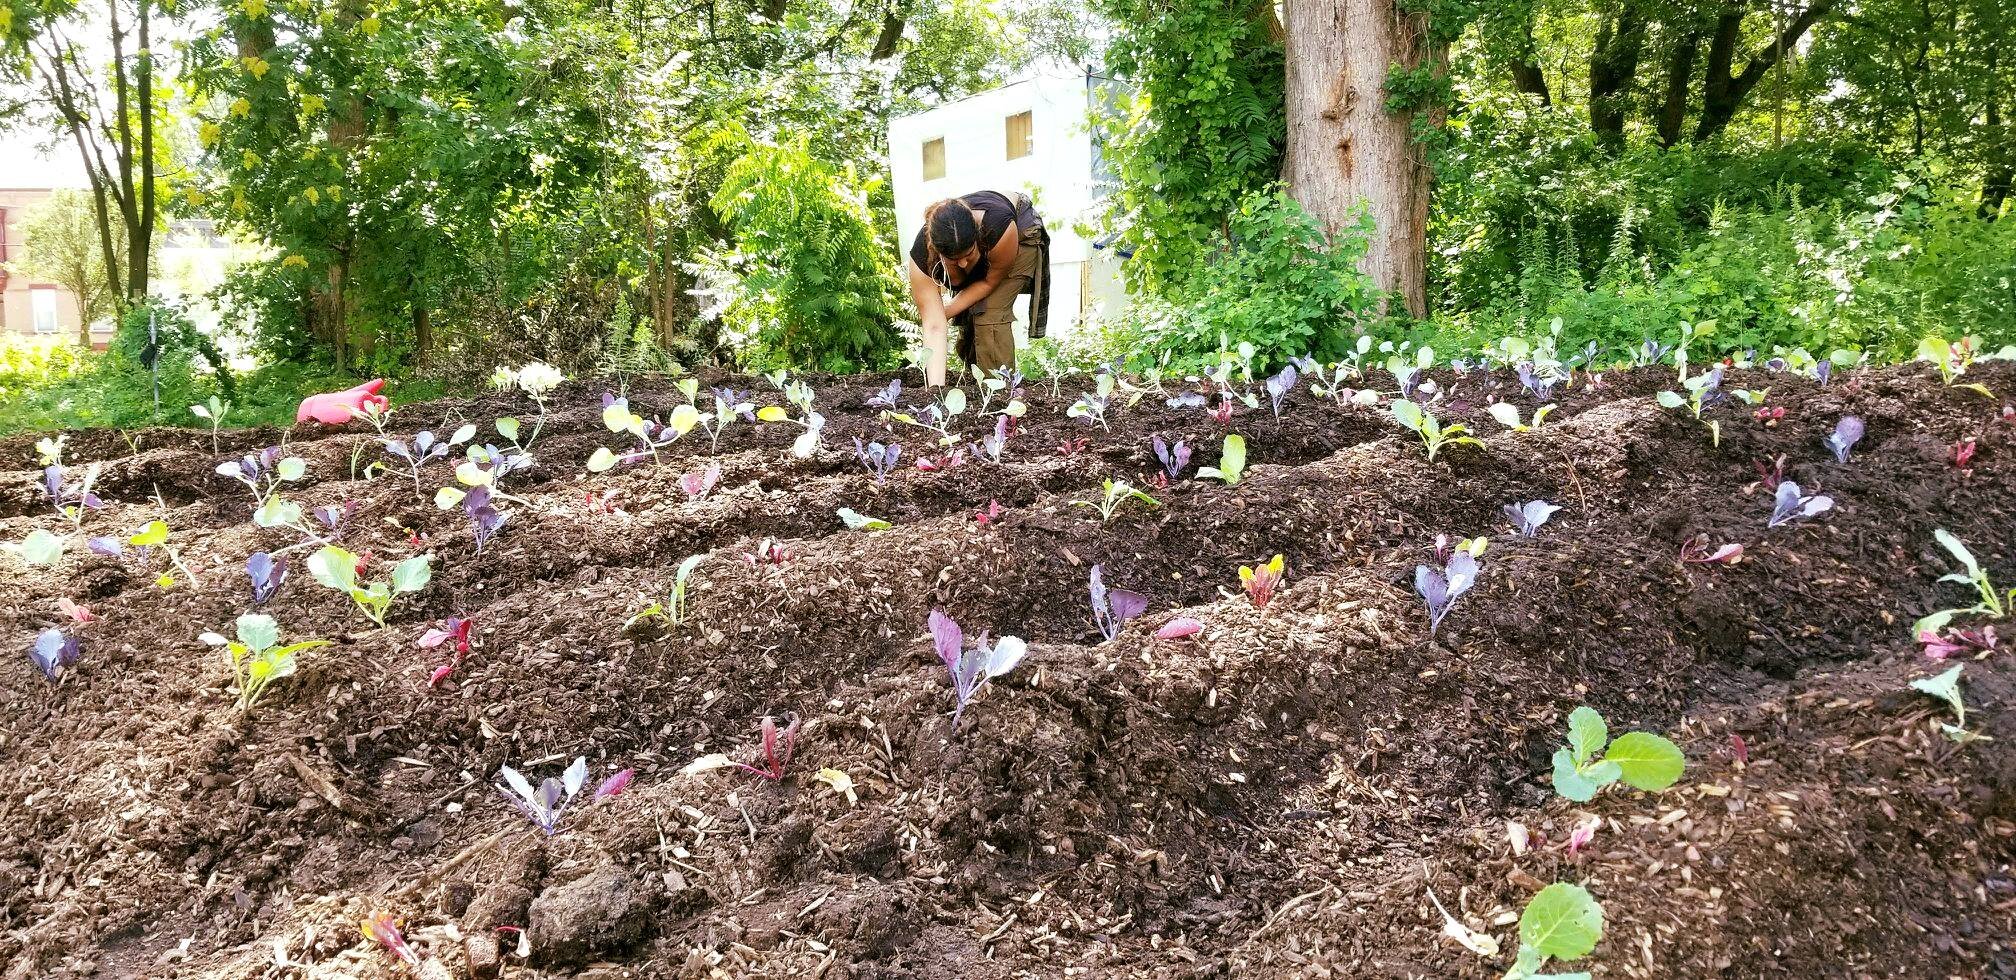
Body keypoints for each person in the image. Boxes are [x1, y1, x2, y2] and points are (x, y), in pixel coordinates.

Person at [907, 191, 1051, 386]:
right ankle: (979, 390)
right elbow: (933, 327)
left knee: (989, 312)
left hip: (1020, 230)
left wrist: (944, 313)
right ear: (937, 250)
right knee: (970, 320)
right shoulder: (921, 259)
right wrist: (936, 390)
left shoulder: (998, 228)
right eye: (954, 260)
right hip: (985, 241)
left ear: (977, 237)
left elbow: (988, 283)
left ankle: (1000, 394)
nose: (964, 264)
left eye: (969, 254)